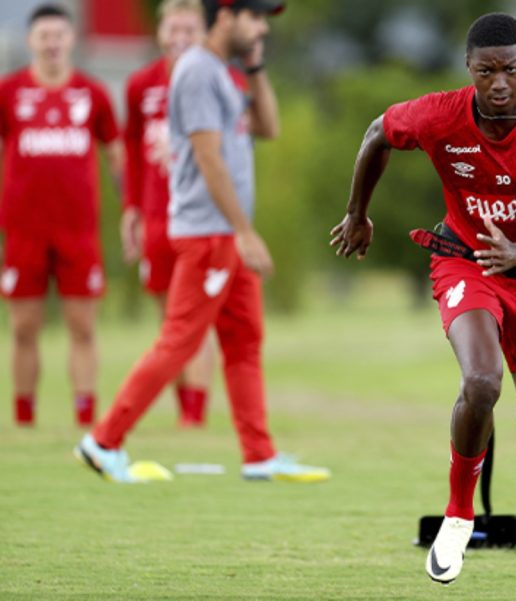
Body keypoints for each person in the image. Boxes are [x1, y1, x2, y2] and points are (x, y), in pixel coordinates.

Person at [331, 13, 516, 598]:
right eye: (485, 71)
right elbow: (377, 133)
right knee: (481, 381)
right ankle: (457, 515)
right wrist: (357, 213)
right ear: (468, 68)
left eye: (510, 69)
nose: (498, 83)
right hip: (467, 263)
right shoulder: (440, 114)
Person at [76, 0, 328, 484]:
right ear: (225, 16)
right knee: (180, 341)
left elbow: (268, 127)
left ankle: (259, 454)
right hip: (208, 232)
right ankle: (103, 441)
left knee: (244, 340)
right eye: (254, 18)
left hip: (224, 232)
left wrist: (255, 67)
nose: (261, 28)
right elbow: (208, 158)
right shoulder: (196, 71)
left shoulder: (223, 72)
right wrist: (244, 231)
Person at [0, 4, 121, 428]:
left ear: (71, 39)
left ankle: (86, 418)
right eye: (44, 36)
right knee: (23, 327)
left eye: (59, 35)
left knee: (82, 326)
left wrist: (131, 208)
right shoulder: (9, 92)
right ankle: (24, 419)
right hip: (24, 230)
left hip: (78, 231)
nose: (52, 44)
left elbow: (115, 154)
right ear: (31, 41)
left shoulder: (92, 93)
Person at [122, 0, 218, 428]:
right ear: (160, 32)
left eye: (188, 30)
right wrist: (131, 209)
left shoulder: (217, 79)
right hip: (158, 216)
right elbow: (132, 151)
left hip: (203, 217)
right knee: (170, 321)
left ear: (203, 33)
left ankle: (194, 415)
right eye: (172, 29)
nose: (180, 38)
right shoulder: (140, 85)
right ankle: (185, 409)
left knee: (197, 317)